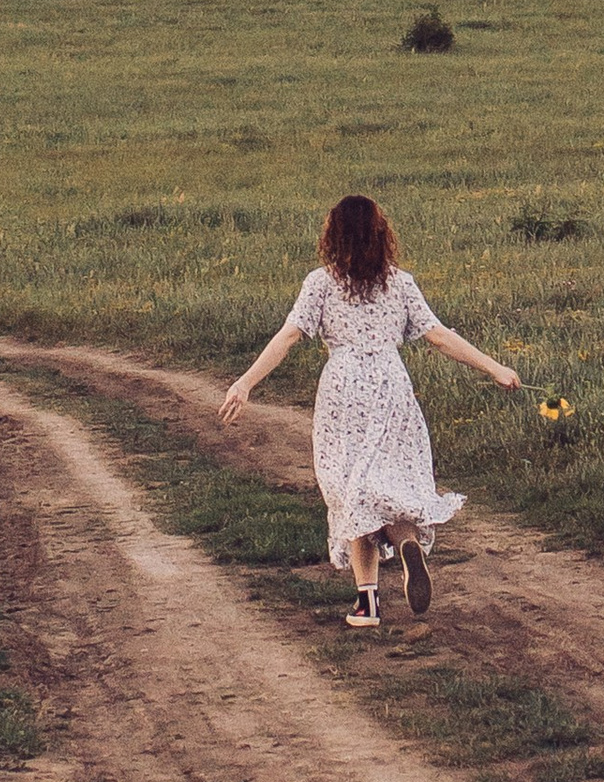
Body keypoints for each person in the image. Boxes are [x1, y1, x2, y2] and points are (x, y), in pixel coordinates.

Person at [219, 194, 520, 627]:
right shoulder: (400, 283)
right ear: (382, 235)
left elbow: (288, 337)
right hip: (392, 387)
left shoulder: (320, 284)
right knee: (391, 485)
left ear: (333, 236)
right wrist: (494, 367)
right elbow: (438, 337)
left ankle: (368, 602)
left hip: (343, 391)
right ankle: (406, 542)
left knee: (352, 490)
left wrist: (245, 383)